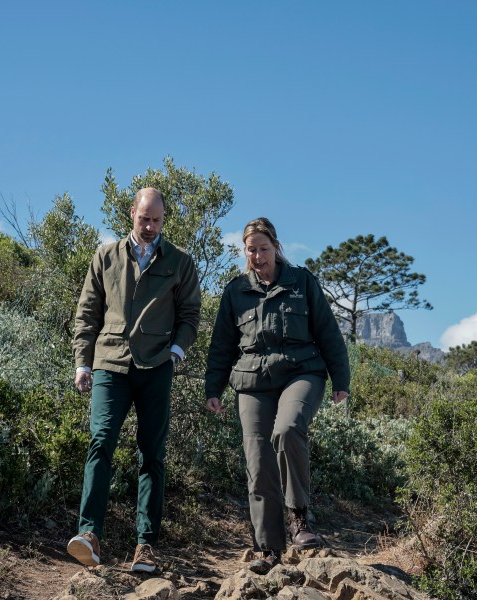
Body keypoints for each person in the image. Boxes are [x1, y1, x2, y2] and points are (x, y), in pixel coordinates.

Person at [205, 217, 350, 575]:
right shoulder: (235, 291)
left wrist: (340, 380)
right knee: (258, 459)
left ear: (276, 246)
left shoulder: (301, 281)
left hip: (302, 373)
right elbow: (222, 345)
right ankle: (268, 548)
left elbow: (329, 333)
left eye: (263, 249)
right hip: (253, 381)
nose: (257, 256)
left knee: (286, 430)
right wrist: (214, 388)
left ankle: (299, 518)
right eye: (251, 250)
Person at [67, 187, 201, 573]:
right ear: (132, 213)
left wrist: (177, 350)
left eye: (157, 220)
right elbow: (87, 313)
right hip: (109, 363)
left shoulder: (180, 262)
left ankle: (146, 546)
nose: (149, 226)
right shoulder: (106, 256)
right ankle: (89, 535)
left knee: (152, 454)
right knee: (100, 441)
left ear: (163, 219)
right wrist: (83, 362)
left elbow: (190, 314)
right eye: (144, 218)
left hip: (157, 366)